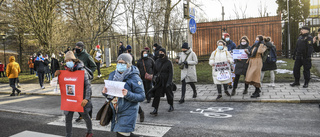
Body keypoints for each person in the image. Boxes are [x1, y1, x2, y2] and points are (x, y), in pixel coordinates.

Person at [102, 53, 145, 137]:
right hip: (116, 110)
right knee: (122, 132)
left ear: (128, 64)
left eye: (123, 63)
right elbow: (109, 95)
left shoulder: (134, 78)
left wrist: (128, 94)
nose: (119, 65)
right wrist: (105, 92)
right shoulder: (112, 75)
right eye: (118, 62)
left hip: (128, 111)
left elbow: (142, 96)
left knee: (121, 134)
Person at [55, 51, 93, 137]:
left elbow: (88, 85)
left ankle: (89, 132)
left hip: (81, 99)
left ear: (74, 60)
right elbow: (62, 84)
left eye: (70, 60)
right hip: (69, 100)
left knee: (86, 116)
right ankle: (68, 135)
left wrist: (86, 98)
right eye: (66, 60)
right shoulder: (65, 71)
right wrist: (57, 77)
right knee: (68, 119)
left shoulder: (82, 70)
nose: (68, 62)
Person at [74, 41, 96, 122]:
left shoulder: (87, 56)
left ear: (81, 48)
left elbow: (94, 66)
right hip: (76, 80)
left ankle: (89, 116)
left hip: (85, 79)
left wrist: (89, 73)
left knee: (87, 99)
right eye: (75, 47)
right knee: (78, 99)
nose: (76, 49)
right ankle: (81, 115)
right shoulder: (75, 56)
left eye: (78, 48)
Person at [149, 48, 174, 116]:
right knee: (157, 95)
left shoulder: (168, 62)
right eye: (159, 52)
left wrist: (169, 82)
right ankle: (155, 109)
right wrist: (154, 80)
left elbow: (170, 73)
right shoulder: (157, 61)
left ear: (165, 53)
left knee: (169, 94)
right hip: (159, 80)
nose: (160, 53)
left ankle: (171, 105)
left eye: (162, 52)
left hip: (166, 80)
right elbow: (155, 71)